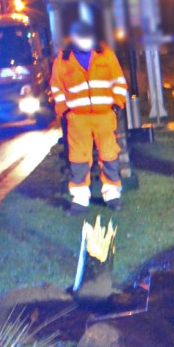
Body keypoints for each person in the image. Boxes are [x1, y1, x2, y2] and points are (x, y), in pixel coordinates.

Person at [49, 21, 127, 215]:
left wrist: (117, 105)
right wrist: (65, 111)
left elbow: (118, 81)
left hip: (104, 115)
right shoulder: (63, 60)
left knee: (109, 154)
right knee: (78, 158)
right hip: (77, 118)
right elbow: (56, 87)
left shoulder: (106, 55)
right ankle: (80, 199)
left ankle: (112, 194)